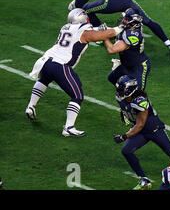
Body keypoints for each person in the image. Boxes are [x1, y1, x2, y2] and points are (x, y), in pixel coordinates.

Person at [25, 8, 124, 136]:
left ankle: (30, 106)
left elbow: (86, 32)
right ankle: (68, 128)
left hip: (45, 61)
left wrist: (99, 28)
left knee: (44, 80)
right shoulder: (83, 32)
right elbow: (101, 36)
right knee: (77, 95)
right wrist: (120, 27)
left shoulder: (66, 27)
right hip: (60, 65)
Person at [112, 75, 170, 190]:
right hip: (141, 132)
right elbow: (126, 109)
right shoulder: (121, 98)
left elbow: (140, 125)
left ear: (129, 90)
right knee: (126, 151)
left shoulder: (140, 101)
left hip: (153, 129)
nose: (118, 92)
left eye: (121, 90)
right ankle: (143, 179)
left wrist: (123, 137)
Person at [103, 8, 151, 91]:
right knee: (112, 78)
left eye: (126, 19)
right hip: (127, 64)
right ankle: (125, 97)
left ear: (134, 23)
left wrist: (103, 36)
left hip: (138, 66)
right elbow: (114, 36)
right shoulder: (128, 29)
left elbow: (112, 49)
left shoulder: (133, 35)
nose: (123, 21)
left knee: (137, 93)